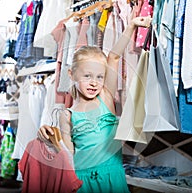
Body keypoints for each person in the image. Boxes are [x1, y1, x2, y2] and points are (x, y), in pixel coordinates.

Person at [38, 16, 152, 193]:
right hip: (82, 181)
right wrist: (48, 139)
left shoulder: (106, 98)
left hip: (112, 178)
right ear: (72, 74)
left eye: (99, 77)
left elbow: (113, 57)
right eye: (87, 76)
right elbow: (67, 155)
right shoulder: (67, 115)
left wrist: (131, 26)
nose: (94, 83)